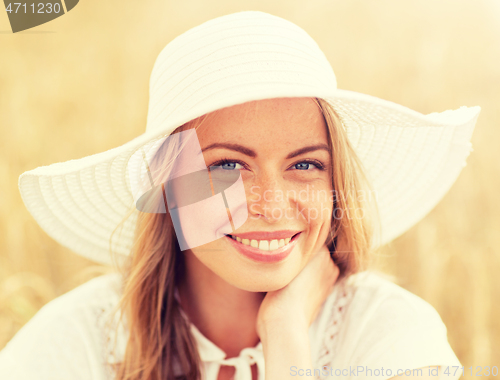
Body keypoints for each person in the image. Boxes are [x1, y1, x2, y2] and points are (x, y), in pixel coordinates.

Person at [0, 10, 480, 380]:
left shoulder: (392, 337)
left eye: (305, 164)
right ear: (166, 187)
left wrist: (287, 336)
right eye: (227, 165)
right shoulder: (73, 342)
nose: (270, 202)